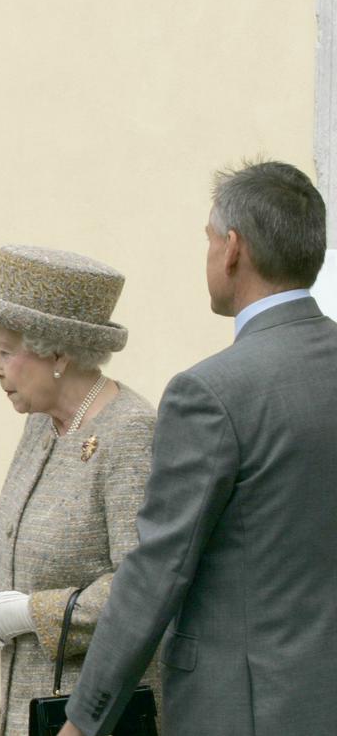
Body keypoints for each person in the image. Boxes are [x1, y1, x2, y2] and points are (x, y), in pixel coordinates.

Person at [58, 161, 337, 736]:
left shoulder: (210, 392)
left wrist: (84, 721)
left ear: (232, 249)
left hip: (242, 709)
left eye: (209, 240)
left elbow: (158, 569)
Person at [0, 246, 161, 735]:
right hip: (25, 705)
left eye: (6, 351)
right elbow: (38, 547)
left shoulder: (130, 432)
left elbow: (142, 586)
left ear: (57, 354)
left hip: (93, 716)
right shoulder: (43, 422)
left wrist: (31, 613)